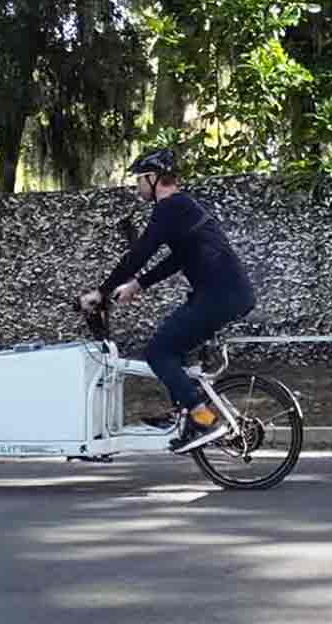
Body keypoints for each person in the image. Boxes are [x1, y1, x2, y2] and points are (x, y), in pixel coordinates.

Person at [79, 149, 256, 453]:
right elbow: (179, 259)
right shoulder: (182, 207)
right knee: (173, 347)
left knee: (158, 352)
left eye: (139, 180)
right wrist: (137, 284)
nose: (137, 188)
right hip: (223, 294)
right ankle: (184, 411)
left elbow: (141, 253)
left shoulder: (171, 207)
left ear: (153, 178)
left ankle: (202, 417)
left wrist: (102, 291)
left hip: (219, 296)